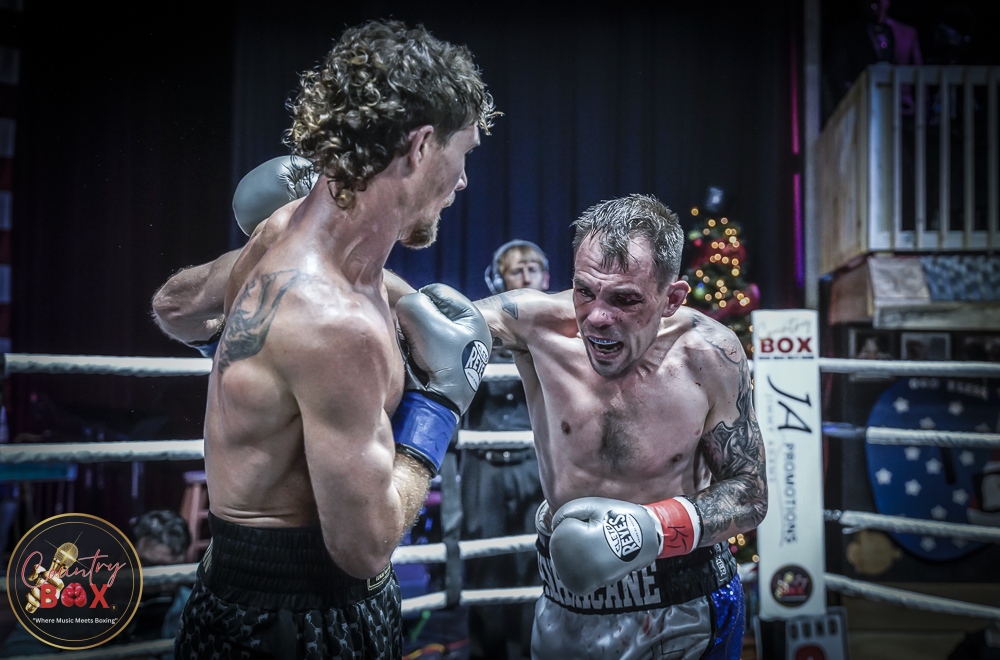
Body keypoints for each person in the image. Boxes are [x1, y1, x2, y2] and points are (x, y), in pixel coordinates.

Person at [151, 19, 497, 659]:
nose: (463, 180)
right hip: (294, 620)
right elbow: (365, 547)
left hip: (263, 597)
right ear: (422, 146)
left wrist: (245, 351)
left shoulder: (288, 232)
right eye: (464, 153)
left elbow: (172, 309)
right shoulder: (333, 321)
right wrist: (439, 407)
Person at [473, 194, 768, 658]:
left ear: (672, 298)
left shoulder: (710, 355)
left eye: (625, 299)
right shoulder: (535, 325)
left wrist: (650, 529)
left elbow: (750, 493)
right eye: (584, 292)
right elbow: (426, 322)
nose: (597, 317)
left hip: (684, 605)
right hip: (567, 605)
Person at [462, 240, 550, 659]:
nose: (527, 276)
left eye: (533, 268)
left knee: (533, 559)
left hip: (534, 460)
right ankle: (487, 652)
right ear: (499, 280)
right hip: (484, 464)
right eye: (517, 270)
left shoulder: (561, 330)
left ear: (546, 278)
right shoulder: (477, 325)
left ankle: (529, 651)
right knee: (484, 562)